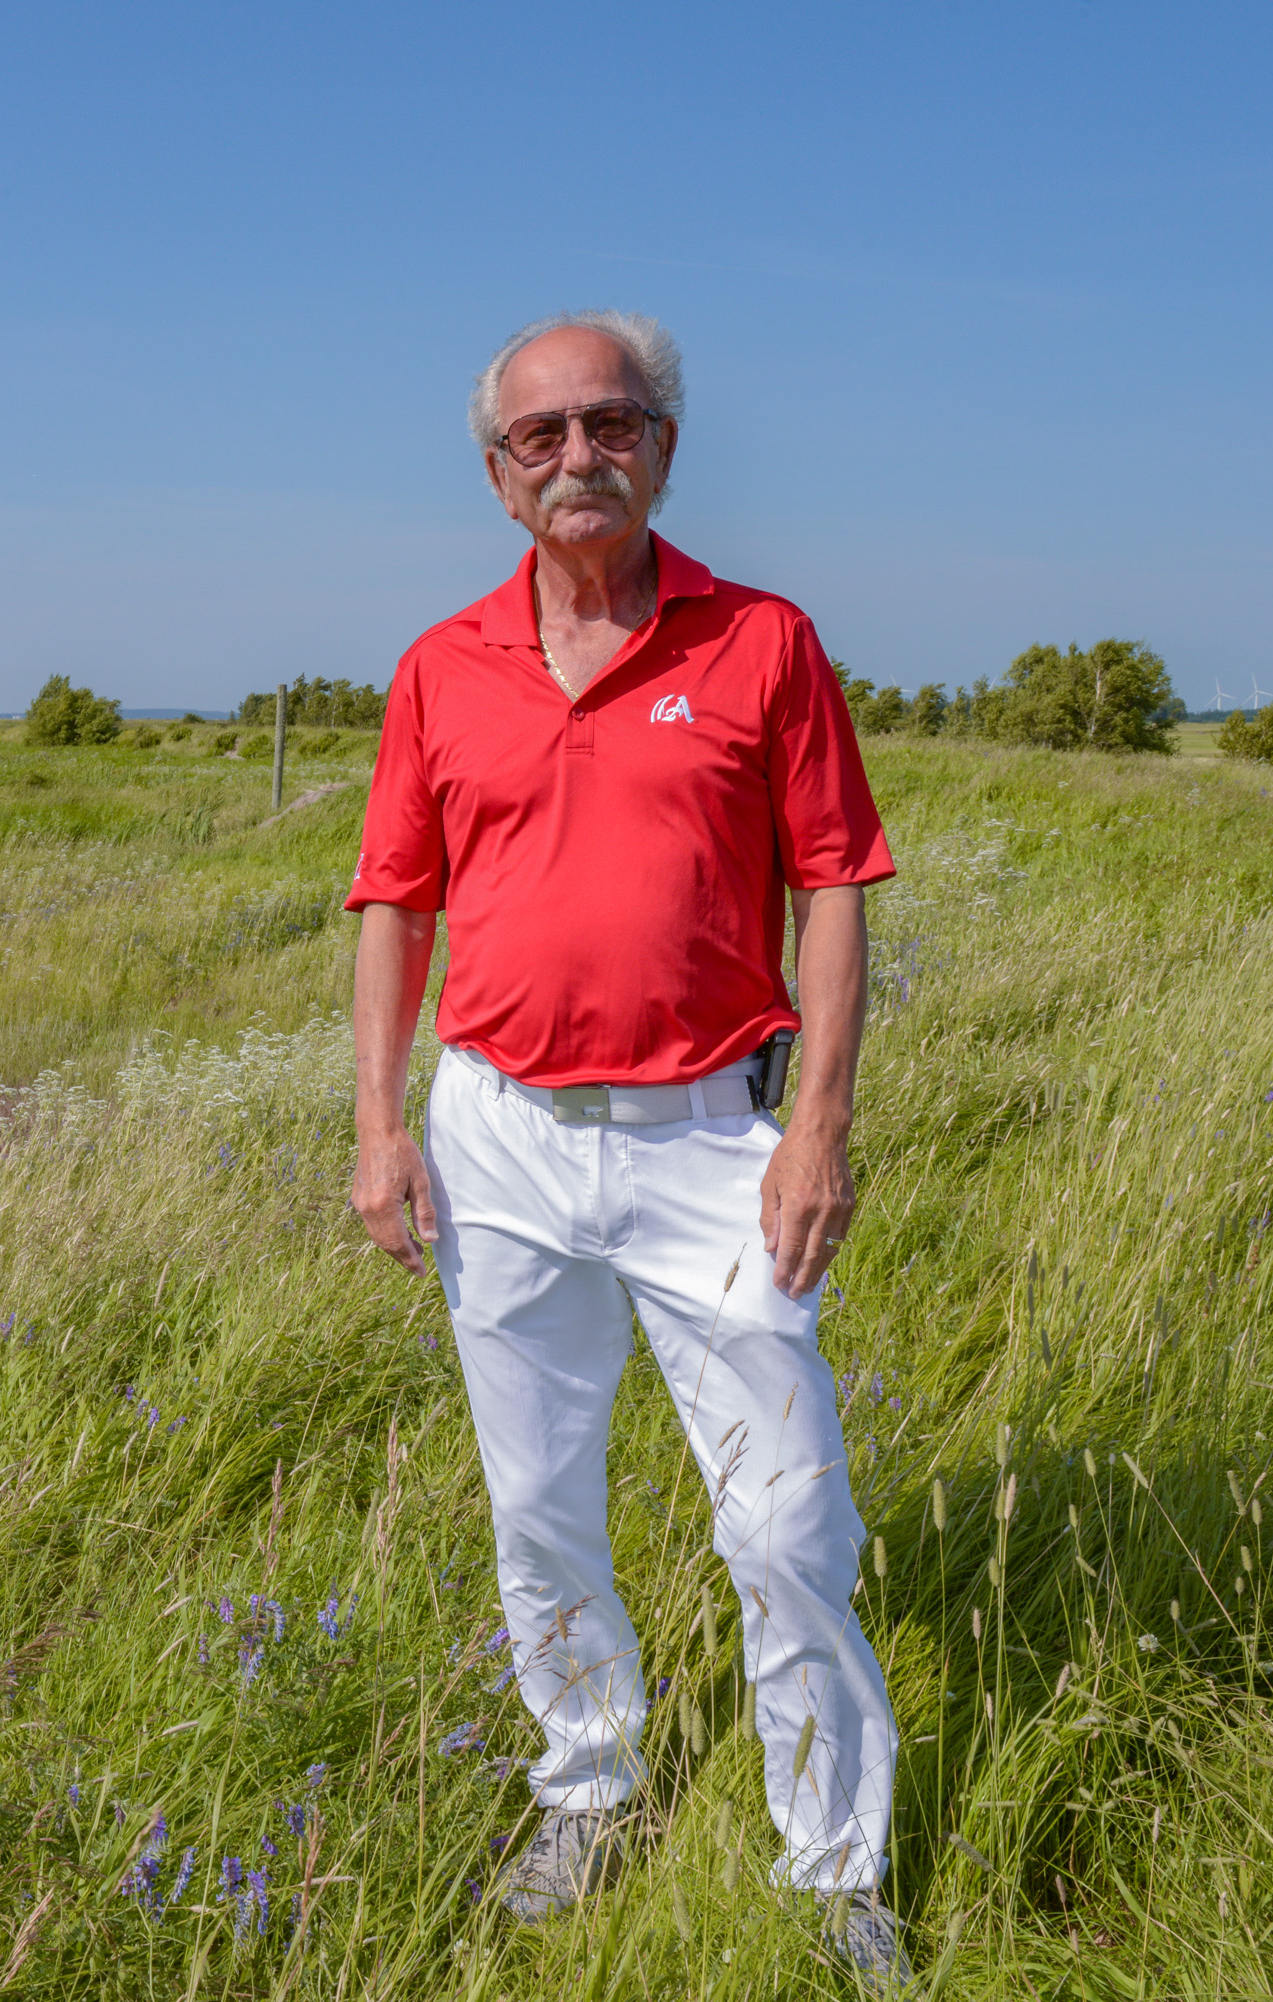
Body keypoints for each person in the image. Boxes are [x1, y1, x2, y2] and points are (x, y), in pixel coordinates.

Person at [346, 311, 907, 1985]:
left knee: (786, 1519)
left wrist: (817, 1126)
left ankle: (834, 1867)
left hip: (710, 1142)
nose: (577, 455)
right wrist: (379, 1123)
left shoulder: (764, 642)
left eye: (611, 423)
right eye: (541, 435)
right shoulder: (441, 666)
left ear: (665, 443)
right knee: (538, 1506)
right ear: (498, 472)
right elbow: (396, 899)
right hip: (498, 1137)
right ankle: (588, 1783)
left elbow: (835, 883)